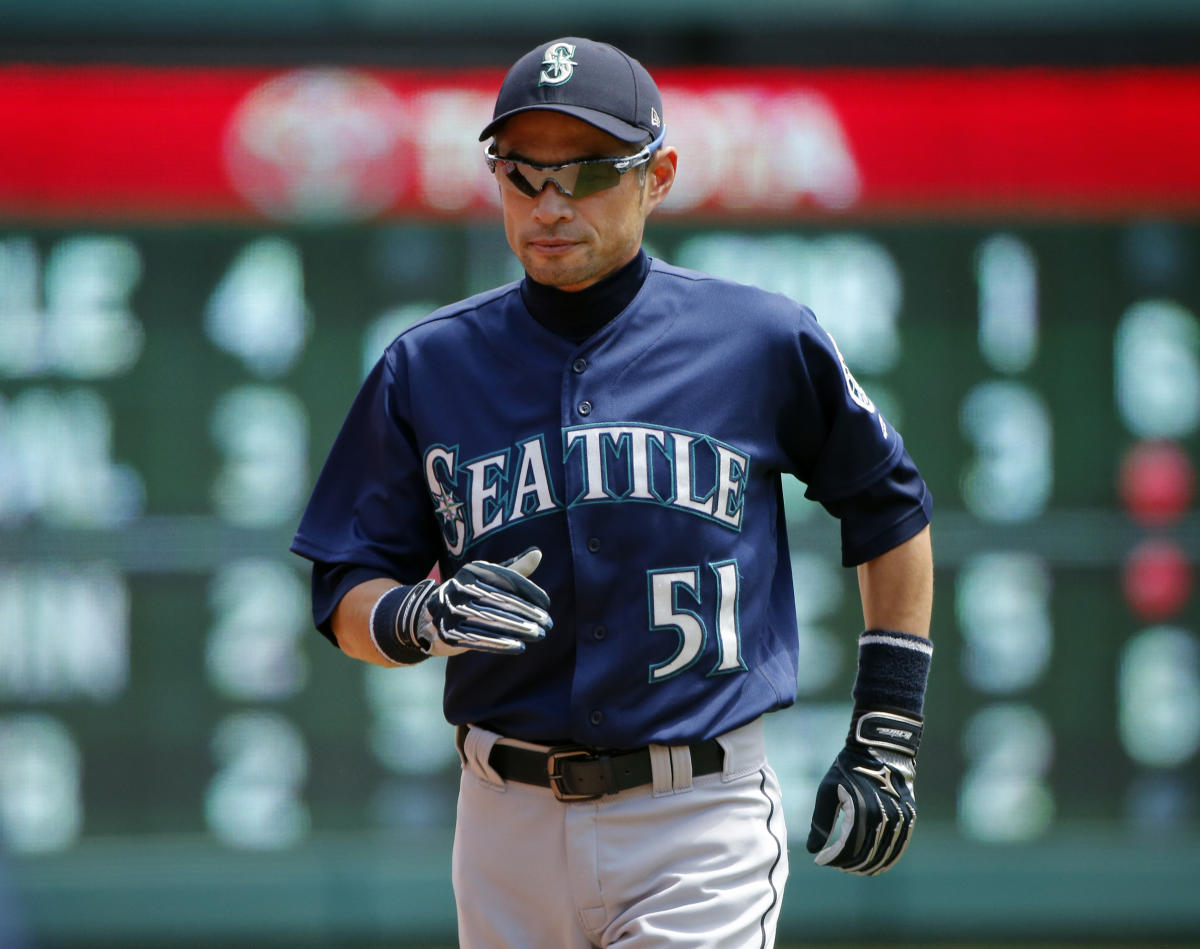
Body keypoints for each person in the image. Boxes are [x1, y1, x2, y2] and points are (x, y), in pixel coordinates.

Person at [291, 36, 934, 949]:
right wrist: (416, 615)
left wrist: (888, 731)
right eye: (524, 172)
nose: (550, 203)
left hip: (695, 813)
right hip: (503, 819)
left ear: (657, 175)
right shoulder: (426, 366)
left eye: (588, 171)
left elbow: (893, 511)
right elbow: (344, 588)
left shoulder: (757, 340)